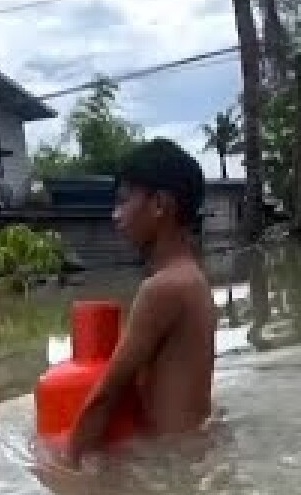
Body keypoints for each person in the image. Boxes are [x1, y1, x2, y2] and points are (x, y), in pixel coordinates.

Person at [64, 138, 216, 464]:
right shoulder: (194, 280)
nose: (115, 215)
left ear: (159, 204)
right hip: (197, 451)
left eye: (123, 201)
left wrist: (67, 467)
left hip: (172, 465)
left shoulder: (161, 289)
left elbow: (106, 395)